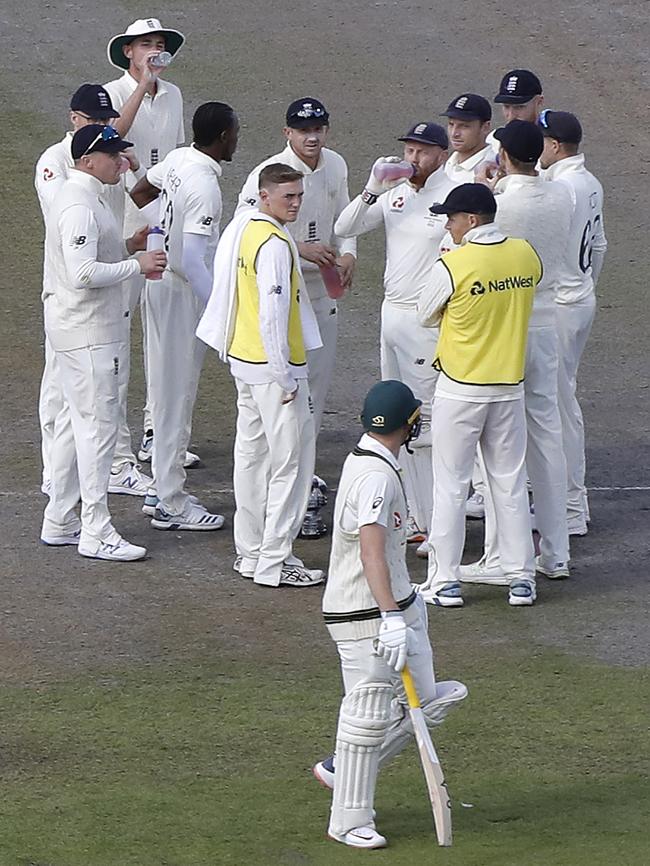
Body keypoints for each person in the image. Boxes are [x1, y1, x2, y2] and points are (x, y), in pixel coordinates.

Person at [312, 380, 467, 848]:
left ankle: (344, 768)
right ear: (408, 423)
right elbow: (370, 552)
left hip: (401, 602)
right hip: (365, 616)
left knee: (435, 700)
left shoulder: (376, 460)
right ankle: (348, 820)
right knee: (367, 715)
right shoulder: (375, 475)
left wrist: (405, 607)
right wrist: (390, 617)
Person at [40, 124, 166, 561]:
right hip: (90, 332)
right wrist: (137, 264)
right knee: (96, 429)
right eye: (113, 154)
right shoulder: (78, 203)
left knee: (78, 427)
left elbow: (93, 256)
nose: (122, 160)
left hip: (81, 330)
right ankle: (95, 529)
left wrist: (125, 246)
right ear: (87, 161)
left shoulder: (87, 196)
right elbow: (82, 274)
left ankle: (60, 519)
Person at [197, 164, 324, 587]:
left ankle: (251, 553)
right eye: (287, 196)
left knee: (251, 459)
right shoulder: (272, 243)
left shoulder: (245, 228)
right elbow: (272, 315)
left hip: (244, 362)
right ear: (265, 196)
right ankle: (275, 560)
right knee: (290, 464)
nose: (295, 203)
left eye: (299, 196)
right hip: (274, 371)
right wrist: (285, 374)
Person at [416, 184, 542, 607]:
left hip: (460, 387)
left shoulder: (454, 264)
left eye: (452, 217)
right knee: (507, 483)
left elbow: (423, 314)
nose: (447, 224)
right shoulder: (525, 254)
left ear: (472, 220)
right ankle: (521, 577)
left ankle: (445, 580)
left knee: (450, 483)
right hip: (508, 387)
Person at [237, 97, 357, 538]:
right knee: (280, 412)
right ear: (287, 133)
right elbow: (245, 227)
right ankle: (277, 506)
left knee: (313, 406)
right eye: (303, 129)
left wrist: (348, 253)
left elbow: (345, 218)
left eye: (320, 128)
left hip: (321, 300)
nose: (312, 136)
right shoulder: (267, 175)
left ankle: (298, 496)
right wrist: (298, 248)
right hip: (282, 301)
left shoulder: (336, 165)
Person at [335, 122, 456, 549]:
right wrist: (371, 186)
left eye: (422, 152)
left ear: (441, 154)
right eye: (408, 150)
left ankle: (438, 524)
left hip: (426, 322)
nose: (412, 159)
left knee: (424, 426)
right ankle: (414, 518)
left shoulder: (453, 193)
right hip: (391, 315)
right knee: (397, 419)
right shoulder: (396, 193)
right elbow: (345, 223)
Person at [464, 121, 573, 585]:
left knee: (500, 442)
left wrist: (484, 188)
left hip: (507, 330)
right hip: (547, 326)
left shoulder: (501, 206)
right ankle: (557, 552)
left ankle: (502, 557)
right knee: (546, 438)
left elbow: (473, 242)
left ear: (505, 156)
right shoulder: (561, 196)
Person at [34, 84, 153, 498]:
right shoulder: (61, 168)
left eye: (107, 119)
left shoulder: (106, 164)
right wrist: (132, 262)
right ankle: (58, 477)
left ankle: (114, 468)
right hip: (76, 301)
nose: (104, 125)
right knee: (63, 395)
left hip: (106, 286)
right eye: (96, 120)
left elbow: (145, 200)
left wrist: (133, 168)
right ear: (75, 118)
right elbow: (71, 245)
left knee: (104, 395)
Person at [129, 103, 239, 530]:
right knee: (175, 395)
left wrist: (164, 232)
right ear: (224, 137)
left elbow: (140, 191)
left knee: (164, 391)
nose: (237, 137)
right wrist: (221, 311)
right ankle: (170, 501)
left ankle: (161, 486)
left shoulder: (177, 158)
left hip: (160, 284)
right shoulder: (205, 187)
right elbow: (195, 261)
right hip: (179, 292)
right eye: (235, 131)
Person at [104, 17, 199, 468]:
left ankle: (155, 432)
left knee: (164, 336)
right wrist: (143, 86)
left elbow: (178, 155)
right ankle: (116, 447)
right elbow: (112, 138)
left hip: (165, 223)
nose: (155, 51)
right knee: (116, 339)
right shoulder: (113, 93)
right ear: (129, 51)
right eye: (146, 45)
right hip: (126, 231)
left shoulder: (175, 94)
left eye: (160, 45)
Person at [539, 110, 607, 536]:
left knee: (558, 406)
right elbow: (599, 245)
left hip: (562, 306)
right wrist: (585, 288)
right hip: (581, 299)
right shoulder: (591, 182)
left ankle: (570, 509)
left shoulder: (560, 186)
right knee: (563, 400)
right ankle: (569, 504)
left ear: (555, 146)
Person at [442, 93, 494, 184]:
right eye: (451, 124)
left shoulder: (491, 170)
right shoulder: (452, 160)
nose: (454, 133)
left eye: (464, 126)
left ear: (485, 127)